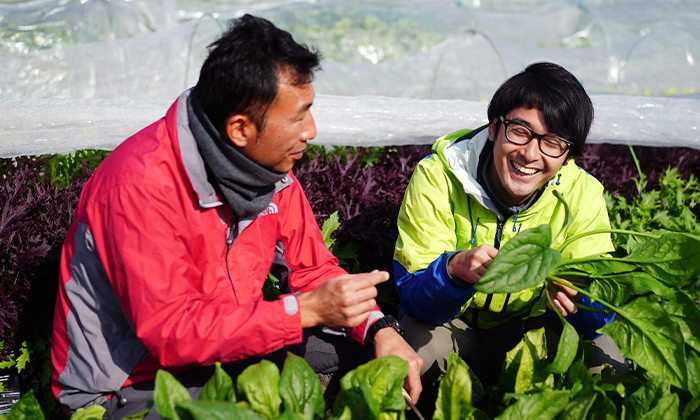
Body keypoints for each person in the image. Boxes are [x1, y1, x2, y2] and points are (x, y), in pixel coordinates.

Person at [50, 14, 422, 418]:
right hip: (127, 385)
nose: (311, 130)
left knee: (365, 360)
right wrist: (307, 311)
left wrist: (380, 329)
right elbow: (171, 334)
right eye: (298, 116)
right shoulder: (139, 187)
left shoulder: (268, 171)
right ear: (240, 129)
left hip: (222, 352)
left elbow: (313, 271)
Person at [393, 62, 626, 398]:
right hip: (456, 326)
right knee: (416, 351)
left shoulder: (581, 194)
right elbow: (413, 298)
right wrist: (452, 271)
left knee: (608, 360)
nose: (530, 154)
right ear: (494, 127)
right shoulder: (438, 177)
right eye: (520, 130)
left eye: (553, 142)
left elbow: (599, 308)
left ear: (568, 154)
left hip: (531, 331)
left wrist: (582, 302)